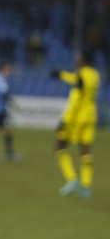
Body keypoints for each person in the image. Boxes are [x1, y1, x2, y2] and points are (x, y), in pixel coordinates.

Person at [50, 49, 100, 198]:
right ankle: (86, 186)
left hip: (77, 117)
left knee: (60, 146)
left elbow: (76, 99)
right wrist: (61, 74)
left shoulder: (81, 74)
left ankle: (72, 179)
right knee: (85, 150)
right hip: (91, 116)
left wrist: (64, 120)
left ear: (83, 59)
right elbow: (76, 80)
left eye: (79, 56)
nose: (76, 58)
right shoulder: (94, 75)